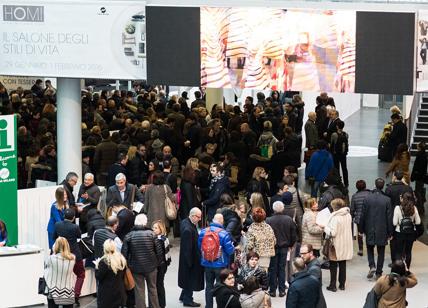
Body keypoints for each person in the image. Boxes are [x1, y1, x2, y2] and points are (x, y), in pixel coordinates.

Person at [121, 214, 164, 308]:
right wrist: (157, 263)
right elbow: (159, 252)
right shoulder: (152, 234)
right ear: (145, 222)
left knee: (139, 291)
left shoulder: (129, 236)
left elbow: (124, 254)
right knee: (153, 289)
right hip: (151, 268)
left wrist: (129, 265)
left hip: (136, 268)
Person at [198, 213, 235, 308]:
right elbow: (230, 251)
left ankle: (209, 306)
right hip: (220, 265)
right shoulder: (224, 233)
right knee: (221, 287)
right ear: (222, 221)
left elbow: (199, 247)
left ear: (213, 220)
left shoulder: (203, 232)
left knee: (209, 286)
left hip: (207, 263)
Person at [361, 178, 393, 280]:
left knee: (369, 248)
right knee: (381, 251)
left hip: (369, 227)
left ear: (375, 185)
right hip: (382, 229)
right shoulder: (387, 200)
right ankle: (379, 272)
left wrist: (361, 229)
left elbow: (363, 215)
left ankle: (372, 266)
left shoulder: (367, 198)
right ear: (383, 186)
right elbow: (389, 217)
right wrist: (390, 232)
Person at [53, 209, 85, 306]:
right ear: (73, 218)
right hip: (74, 254)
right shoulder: (75, 227)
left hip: (61, 254)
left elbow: (54, 236)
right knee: (80, 275)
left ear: (64, 216)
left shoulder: (57, 225)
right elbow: (79, 236)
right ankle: (75, 296)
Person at [266, 201, 297, 297]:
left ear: (273, 208)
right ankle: (282, 290)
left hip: (273, 248)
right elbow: (293, 234)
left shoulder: (268, 220)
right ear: (283, 208)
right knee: (282, 268)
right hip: (284, 247)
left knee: (272, 268)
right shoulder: (288, 219)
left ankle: (272, 290)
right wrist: (291, 245)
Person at [324, 198, 353, 292]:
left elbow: (333, 233)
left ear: (334, 207)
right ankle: (342, 284)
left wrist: (325, 228)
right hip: (345, 242)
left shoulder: (335, 217)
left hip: (335, 244)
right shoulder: (348, 215)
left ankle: (333, 285)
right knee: (343, 264)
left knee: (333, 265)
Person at [178, 207, 204, 307]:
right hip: (190, 260)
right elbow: (187, 250)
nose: (199, 219)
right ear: (193, 216)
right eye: (198, 217)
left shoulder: (186, 222)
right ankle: (188, 300)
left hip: (188, 259)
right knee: (190, 279)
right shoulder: (188, 230)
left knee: (187, 278)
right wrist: (190, 263)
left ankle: (183, 295)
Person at [44, 237, 76, 308]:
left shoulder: (51, 259)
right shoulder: (72, 258)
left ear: (56, 246)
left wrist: (53, 251)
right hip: (68, 291)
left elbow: (46, 269)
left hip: (53, 291)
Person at [95, 239, 127, 308]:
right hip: (119, 291)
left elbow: (98, 277)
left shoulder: (104, 262)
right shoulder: (121, 259)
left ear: (105, 248)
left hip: (106, 294)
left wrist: (97, 267)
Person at [392, 192, 421, 269]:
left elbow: (394, 223)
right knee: (408, 252)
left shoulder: (398, 208)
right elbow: (418, 222)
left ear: (402, 199)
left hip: (399, 232)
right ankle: (407, 269)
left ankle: (398, 270)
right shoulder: (414, 208)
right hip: (411, 233)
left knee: (398, 252)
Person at [300, 244, 327, 308]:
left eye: (304, 253)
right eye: (300, 253)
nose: (301, 256)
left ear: (311, 253)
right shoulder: (309, 264)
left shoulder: (314, 269)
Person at [152, 220, 171, 308]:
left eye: (156, 228)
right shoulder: (164, 238)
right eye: (153, 228)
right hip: (163, 264)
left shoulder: (159, 240)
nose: (154, 229)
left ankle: (161, 304)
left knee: (158, 285)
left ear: (161, 229)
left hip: (160, 265)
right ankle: (161, 304)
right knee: (159, 284)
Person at [350, 180, 371, 256]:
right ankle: (369, 248)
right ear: (365, 186)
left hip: (359, 218)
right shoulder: (370, 194)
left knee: (360, 234)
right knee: (369, 233)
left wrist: (351, 218)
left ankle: (361, 249)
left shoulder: (354, 196)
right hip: (369, 217)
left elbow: (352, 209)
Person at [330, 120, 349, 187]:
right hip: (343, 154)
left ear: (337, 126)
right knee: (344, 168)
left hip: (336, 154)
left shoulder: (334, 135)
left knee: (336, 168)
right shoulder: (346, 134)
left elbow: (332, 144)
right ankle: (346, 183)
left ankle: (337, 182)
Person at [411, 141, 427, 215]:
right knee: (420, 191)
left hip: (419, 177)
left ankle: (420, 208)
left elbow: (416, 167)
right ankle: (421, 206)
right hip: (422, 176)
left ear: (420, 147)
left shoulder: (419, 155)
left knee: (418, 192)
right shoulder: (424, 155)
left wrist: (413, 176)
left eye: (418, 146)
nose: (417, 147)